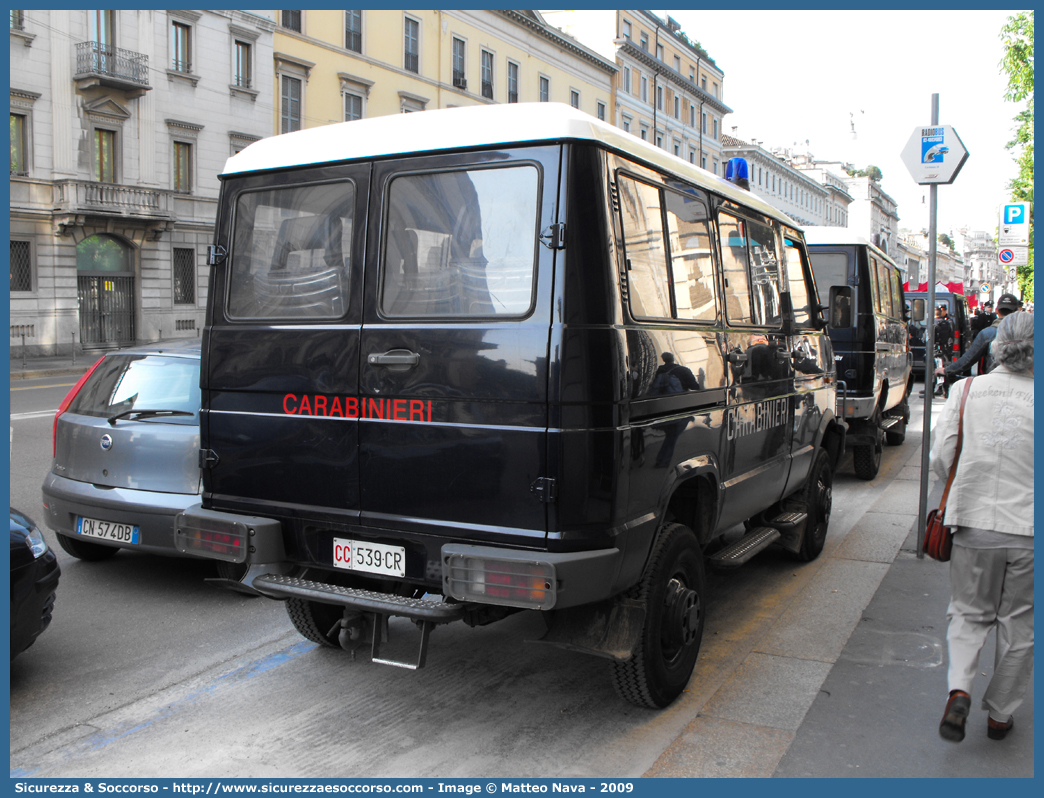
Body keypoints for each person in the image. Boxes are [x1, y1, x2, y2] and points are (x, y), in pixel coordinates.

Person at [932, 311, 1034, 743]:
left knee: (969, 614)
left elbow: (942, 455)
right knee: (1019, 624)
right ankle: (1000, 715)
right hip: (1029, 528)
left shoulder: (966, 389)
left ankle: (960, 690)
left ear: (996, 345)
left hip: (973, 521)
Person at [937, 293, 1021, 380]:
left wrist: (947, 370)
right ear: (1017, 311)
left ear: (997, 310)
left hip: (994, 382)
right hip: (1022, 383)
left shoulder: (988, 333)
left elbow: (968, 359)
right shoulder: (1028, 332)